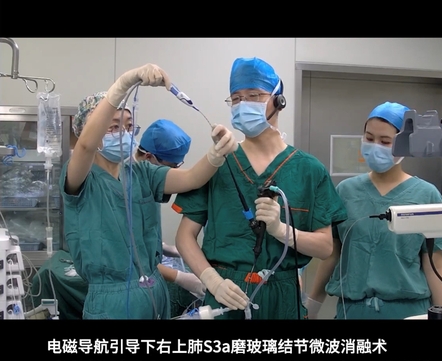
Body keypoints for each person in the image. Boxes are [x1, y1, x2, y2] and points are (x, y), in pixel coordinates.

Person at [173, 57, 348, 319]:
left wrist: (281, 231)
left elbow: (325, 247)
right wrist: (212, 280)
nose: (243, 104)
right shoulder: (218, 164)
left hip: (283, 296)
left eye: (254, 95)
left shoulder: (309, 170)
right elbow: (185, 236)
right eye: (236, 98)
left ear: (279, 100)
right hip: (227, 291)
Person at [61, 63, 238, 320]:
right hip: (112, 300)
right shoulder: (81, 178)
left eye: (128, 126)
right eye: (112, 127)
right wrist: (124, 83)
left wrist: (216, 153)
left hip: (153, 290)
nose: (123, 133)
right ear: (91, 130)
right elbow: (86, 146)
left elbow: (191, 178)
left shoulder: (141, 172)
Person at [305, 101, 442, 320]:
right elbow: (332, 254)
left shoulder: (426, 195)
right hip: (353, 311)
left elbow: (436, 264)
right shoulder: (346, 191)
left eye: (385, 141)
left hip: (409, 312)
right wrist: (311, 307)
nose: (375, 146)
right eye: (369, 138)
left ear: (405, 145)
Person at [131, 119, 206, 313]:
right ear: (149, 157)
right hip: (132, 291)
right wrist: (180, 277)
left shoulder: (146, 185)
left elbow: (143, 234)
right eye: (170, 167)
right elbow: (130, 257)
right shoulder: (126, 188)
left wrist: (163, 248)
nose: (173, 173)